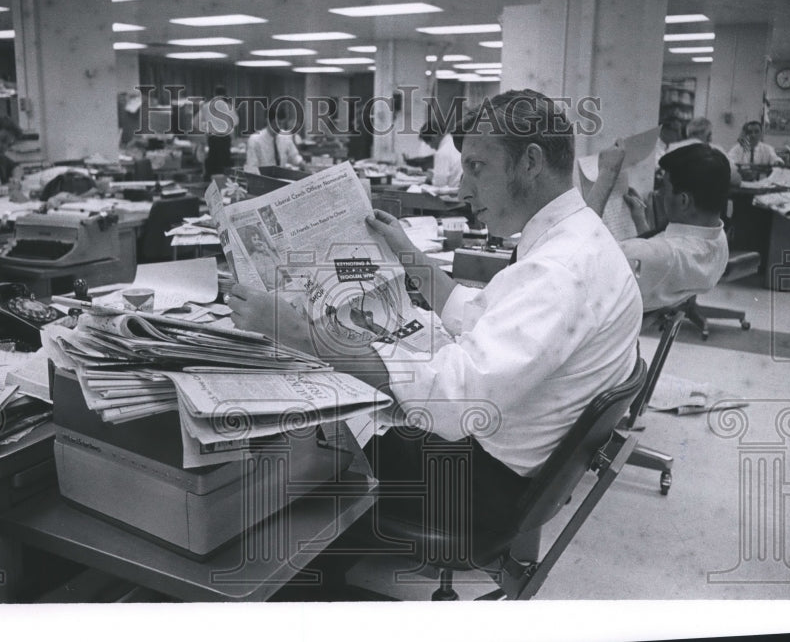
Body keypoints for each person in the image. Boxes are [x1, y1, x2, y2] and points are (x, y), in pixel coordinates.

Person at [228, 89, 642, 541]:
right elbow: (478, 313)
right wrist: (408, 255)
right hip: (518, 467)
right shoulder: (581, 238)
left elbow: (452, 398)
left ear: (531, 162)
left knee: (310, 433)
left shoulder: (559, 272)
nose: (464, 190)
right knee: (364, 391)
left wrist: (303, 335)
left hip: (482, 487)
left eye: (477, 168)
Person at [591, 142, 731, 312]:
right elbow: (659, 266)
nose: (660, 193)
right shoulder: (718, 239)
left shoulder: (662, 256)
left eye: (665, 188)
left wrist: (606, 175)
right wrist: (640, 220)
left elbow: (581, 253)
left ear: (684, 201)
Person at [194, 86, 239, 180]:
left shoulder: (206, 106)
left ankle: (211, 184)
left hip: (213, 138)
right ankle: (225, 184)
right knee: (225, 163)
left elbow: (195, 121)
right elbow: (235, 121)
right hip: (225, 139)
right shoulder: (228, 107)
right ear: (225, 94)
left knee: (213, 161)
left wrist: (205, 129)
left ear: (214, 93)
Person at [244, 101, 303, 173]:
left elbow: (295, 157)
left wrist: (306, 167)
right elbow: (252, 168)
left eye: (282, 123)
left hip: (282, 179)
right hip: (263, 179)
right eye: (277, 123)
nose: (280, 127)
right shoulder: (255, 140)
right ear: (267, 121)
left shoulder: (285, 137)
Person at [425, 119, 462, 190]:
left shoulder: (442, 152)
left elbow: (439, 185)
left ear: (433, 138)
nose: (431, 147)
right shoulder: (455, 144)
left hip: (450, 197)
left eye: (429, 143)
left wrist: (430, 179)